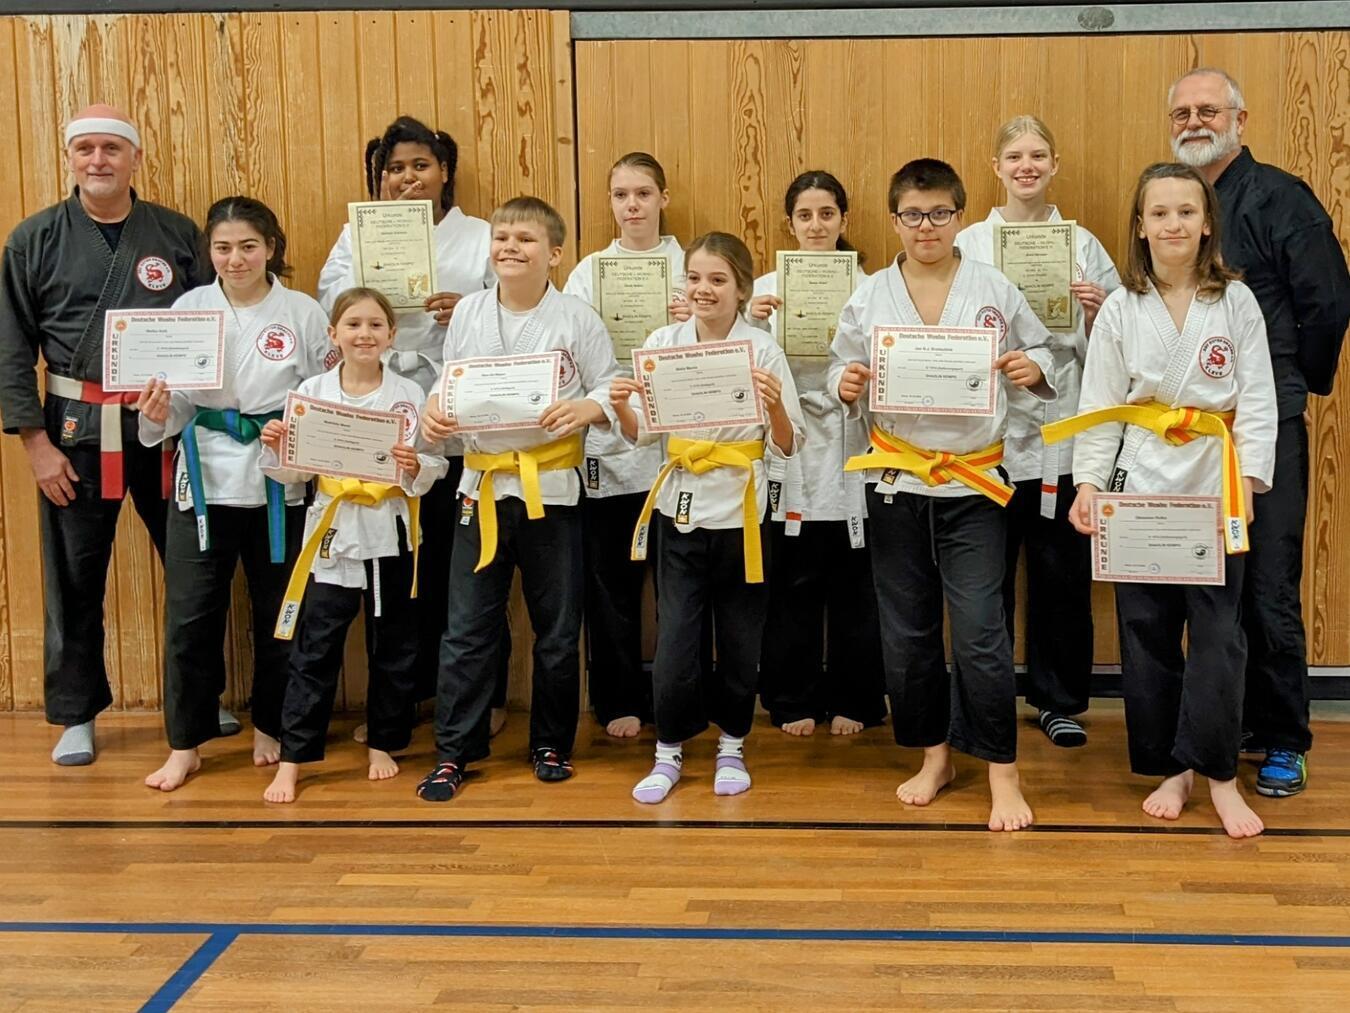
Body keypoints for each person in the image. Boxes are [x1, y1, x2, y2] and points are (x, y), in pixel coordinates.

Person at [829, 159, 1059, 832]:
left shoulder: (994, 286)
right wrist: (844, 383)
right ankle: (935, 755)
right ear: (893, 219)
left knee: (983, 632)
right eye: (911, 215)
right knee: (907, 633)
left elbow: (1047, 354)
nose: (925, 227)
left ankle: (1002, 770)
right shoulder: (871, 294)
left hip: (975, 482)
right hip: (897, 481)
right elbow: (843, 369)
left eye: (939, 214)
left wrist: (1032, 366)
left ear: (960, 215)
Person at [1059, 162, 1277, 839]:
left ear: (1207, 221)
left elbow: (1260, 397)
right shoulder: (1123, 306)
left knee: (1219, 635)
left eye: (1186, 211)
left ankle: (1217, 773)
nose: (1173, 224)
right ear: (1141, 226)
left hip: (1214, 479)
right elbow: (1099, 403)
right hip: (1142, 481)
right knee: (1146, 632)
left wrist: (1249, 479)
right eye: (1160, 213)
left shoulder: (1235, 301)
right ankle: (1169, 767)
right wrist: (1088, 483)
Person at [0, 104, 208, 766]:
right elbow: (10, 347)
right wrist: (35, 445)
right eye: (85, 148)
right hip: (73, 432)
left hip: (164, 430)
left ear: (135, 158)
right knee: (73, 578)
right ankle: (75, 713)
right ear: (69, 158)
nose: (98, 160)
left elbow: (212, 329)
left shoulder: (176, 234)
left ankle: (196, 703)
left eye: (112, 149)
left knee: (193, 573)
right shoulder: (33, 240)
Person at [1167, 67, 1350, 797]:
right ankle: (1225, 723)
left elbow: (1330, 300)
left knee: (1269, 583)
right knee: (1213, 587)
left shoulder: (1280, 198)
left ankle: (1284, 737)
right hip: (1190, 438)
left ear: (1240, 115)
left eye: (1207, 108)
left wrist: (1286, 382)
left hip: (1264, 427)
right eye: (1181, 111)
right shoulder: (1174, 202)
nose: (1193, 120)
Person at [415, 196, 619, 802]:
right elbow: (446, 390)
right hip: (480, 489)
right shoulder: (470, 314)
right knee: (467, 627)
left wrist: (592, 406)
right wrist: (434, 417)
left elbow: (610, 385)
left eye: (525, 239)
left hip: (551, 491)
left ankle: (550, 741)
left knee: (557, 628)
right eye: (501, 236)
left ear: (554, 254)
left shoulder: (577, 318)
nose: (509, 246)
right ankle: (455, 750)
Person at [317, 115, 510, 740]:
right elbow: (332, 302)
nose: (407, 179)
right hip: (382, 419)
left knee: (467, 570)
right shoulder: (357, 233)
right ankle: (400, 702)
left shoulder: (480, 235)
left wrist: (469, 309)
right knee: (395, 572)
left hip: (457, 416)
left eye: (420, 166)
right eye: (394, 169)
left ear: (444, 172)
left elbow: (512, 307)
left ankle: (481, 694)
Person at [138, 197, 329, 791]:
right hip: (206, 478)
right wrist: (158, 414)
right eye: (223, 247)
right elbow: (178, 402)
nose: (236, 258)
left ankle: (273, 725)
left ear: (272, 246)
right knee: (190, 616)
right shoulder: (190, 308)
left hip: (279, 480)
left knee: (280, 614)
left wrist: (297, 432)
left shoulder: (302, 312)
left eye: (248, 245)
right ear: (209, 253)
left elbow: (322, 393)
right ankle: (185, 743)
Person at [611, 232, 804, 803]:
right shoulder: (663, 342)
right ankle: (668, 749)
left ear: (742, 289)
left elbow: (789, 445)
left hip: (742, 511)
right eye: (694, 278)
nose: (703, 289)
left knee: (742, 636)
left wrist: (771, 407)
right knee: (676, 636)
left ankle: (732, 743)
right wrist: (622, 404)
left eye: (718, 279)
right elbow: (639, 433)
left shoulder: (763, 350)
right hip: (680, 509)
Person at [956, 116, 1121, 748]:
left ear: (1056, 165)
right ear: (995, 167)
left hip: (1060, 432)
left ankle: (1057, 701)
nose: (1027, 166)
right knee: (984, 581)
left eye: (1039, 155)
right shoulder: (969, 243)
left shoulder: (1083, 245)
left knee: (1059, 577)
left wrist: (1097, 315)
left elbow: (1115, 347)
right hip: (988, 437)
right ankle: (983, 702)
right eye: (1015, 156)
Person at [260, 288, 448, 803]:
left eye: (374, 326)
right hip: (333, 533)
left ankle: (384, 743)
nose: (364, 334)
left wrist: (417, 468)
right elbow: (293, 475)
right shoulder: (312, 391)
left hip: (390, 530)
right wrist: (277, 447)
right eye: (353, 325)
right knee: (314, 649)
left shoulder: (409, 394)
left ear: (391, 335)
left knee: (395, 646)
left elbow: (435, 462)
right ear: (333, 334)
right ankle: (294, 758)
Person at [747, 171, 885, 737]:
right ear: (790, 224)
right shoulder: (763, 289)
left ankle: (858, 695)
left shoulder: (874, 284)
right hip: (791, 448)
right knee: (793, 581)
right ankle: (790, 694)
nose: (816, 225)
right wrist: (750, 321)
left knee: (857, 580)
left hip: (853, 441)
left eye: (827, 214)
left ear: (844, 220)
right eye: (805, 216)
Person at [564, 151, 690, 738]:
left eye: (643, 192)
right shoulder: (588, 272)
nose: (632, 205)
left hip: (675, 447)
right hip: (608, 443)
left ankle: (679, 697)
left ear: (664, 198)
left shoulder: (690, 266)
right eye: (621, 195)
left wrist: (693, 318)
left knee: (679, 591)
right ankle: (616, 698)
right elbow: (570, 355)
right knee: (610, 584)